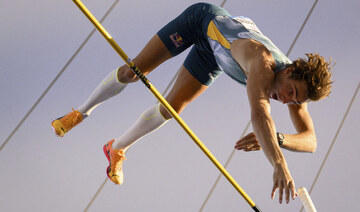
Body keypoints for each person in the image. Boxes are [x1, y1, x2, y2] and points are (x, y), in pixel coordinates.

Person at [51, 3, 332, 204]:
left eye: (295, 100)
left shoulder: (294, 90)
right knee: (133, 72)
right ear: (290, 70)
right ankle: (80, 113)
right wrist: (279, 165)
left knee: (171, 109)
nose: (287, 100)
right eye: (291, 92)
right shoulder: (263, 63)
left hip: (214, 57)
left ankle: (116, 148)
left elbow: (311, 142)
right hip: (201, 23)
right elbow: (260, 114)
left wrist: (279, 139)